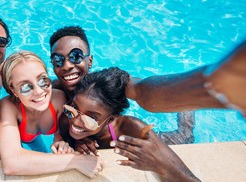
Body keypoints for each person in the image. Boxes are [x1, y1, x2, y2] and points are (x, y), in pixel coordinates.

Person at [59, 67, 209, 182]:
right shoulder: (67, 119)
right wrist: (77, 142)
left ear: (111, 119)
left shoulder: (132, 129)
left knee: (185, 136)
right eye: (74, 108)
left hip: (149, 138)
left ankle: (188, 109)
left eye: (91, 118)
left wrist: (160, 164)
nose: (76, 121)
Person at [49, 25, 196, 145]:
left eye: (76, 56)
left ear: (90, 61)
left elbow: (142, 90)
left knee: (183, 138)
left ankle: (189, 110)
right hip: (85, 131)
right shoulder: (53, 90)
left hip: (110, 133)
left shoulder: (109, 85)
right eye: (58, 60)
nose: (67, 65)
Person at [0, 51, 103, 178]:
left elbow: (60, 133)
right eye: (25, 87)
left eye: (42, 80)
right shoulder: (8, 106)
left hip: (31, 134)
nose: (38, 91)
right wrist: (75, 161)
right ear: (13, 90)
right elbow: (12, 164)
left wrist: (59, 141)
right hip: (22, 136)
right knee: (28, 145)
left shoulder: (58, 99)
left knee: (41, 151)